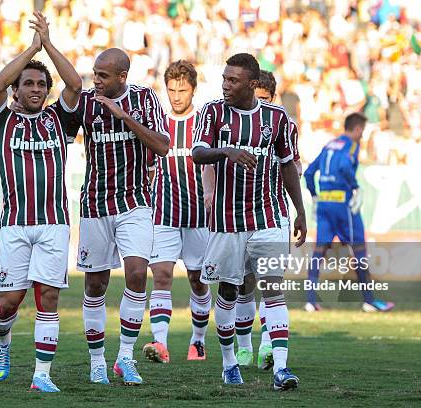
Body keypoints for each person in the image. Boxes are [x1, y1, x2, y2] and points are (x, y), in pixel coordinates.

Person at [192, 53, 307, 390]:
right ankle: (230, 363)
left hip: (269, 217)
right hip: (227, 221)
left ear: (252, 85)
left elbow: (287, 164)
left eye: (233, 80)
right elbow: (197, 153)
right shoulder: (213, 111)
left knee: (273, 289)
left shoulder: (277, 118)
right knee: (229, 290)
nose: (226, 85)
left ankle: (281, 369)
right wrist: (226, 152)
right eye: (225, 79)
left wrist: (299, 209)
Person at [0, 12, 82, 393]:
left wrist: (49, 45)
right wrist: (30, 49)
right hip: (15, 223)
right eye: (29, 83)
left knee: (49, 297)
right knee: (8, 302)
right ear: (16, 90)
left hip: (54, 223)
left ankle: (42, 375)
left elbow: (73, 83)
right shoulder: (0, 122)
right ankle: (2, 339)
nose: (37, 89)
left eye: (42, 84)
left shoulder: (59, 119)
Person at [68, 48, 169, 385]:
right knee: (95, 284)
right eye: (94, 73)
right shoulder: (85, 101)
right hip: (95, 205)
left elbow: (162, 146)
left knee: (138, 274)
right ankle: (97, 361)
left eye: (103, 75)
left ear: (122, 77)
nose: (96, 80)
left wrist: (123, 116)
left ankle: (125, 357)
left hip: (135, 202)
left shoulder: (144, 99)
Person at [143, 60, 214, 364]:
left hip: (200, 216)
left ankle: (197, 342)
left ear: (193, 90)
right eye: (171, 90)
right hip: (164, 214)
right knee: (161, 275)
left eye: (182, 90)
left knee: (198, 280)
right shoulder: (158, 124)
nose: (175, 96)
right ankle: (160, 344)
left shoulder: (204, 122)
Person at [234, 70, 302, 370]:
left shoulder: (282, 124)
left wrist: (293, 175)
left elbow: (294, 163)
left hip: (273, 216)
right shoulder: (234, 121)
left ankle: (267, 348)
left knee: (271, 285)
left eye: (261, 98)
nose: (255, 104)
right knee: (243, 285)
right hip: (237, 217)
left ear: (271, 98)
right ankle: (245, 346)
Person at [304, 112, 394, 313]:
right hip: (343, 205)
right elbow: (345, 166)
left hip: (325, 205)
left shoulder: (329, 145)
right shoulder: (352, 145)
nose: (362, 135)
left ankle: (310, 301)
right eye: (362, 131)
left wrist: (315, 196)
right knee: (359, 250)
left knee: (319, 252)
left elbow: (309, 173)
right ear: (358, 129)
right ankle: (369, 301)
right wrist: (355, 187)